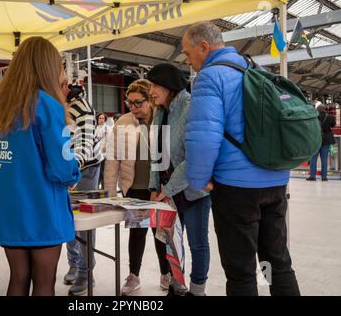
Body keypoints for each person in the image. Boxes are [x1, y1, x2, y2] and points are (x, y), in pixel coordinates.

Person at [183, 21, 300, 296]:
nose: (188, 61)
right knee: (277, 262)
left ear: (204, 46)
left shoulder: (210, 77)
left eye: (188, 53)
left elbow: (203, 137)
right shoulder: (253, 70)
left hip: (237, 188)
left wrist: (199, 179)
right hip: (275, 181)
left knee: (241, 271)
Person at [0, 37, 81, 296]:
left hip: (8, 209)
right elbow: (61, 166)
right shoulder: (47, 104)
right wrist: (74, 173)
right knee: (44, 283)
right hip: (42, 208)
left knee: (18, 279)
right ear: (48, 66)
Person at [146, 63, 211, 296]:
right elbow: (157, 153)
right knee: (172, 243)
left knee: (197, 243)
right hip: (167, 191)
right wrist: (154, 186)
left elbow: (194, 156)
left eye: (155, 85)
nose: (151, 91)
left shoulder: (190, 106)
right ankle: (177, 285)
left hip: (193, 189)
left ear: (170, 86)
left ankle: (197, 290)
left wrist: (169, 188)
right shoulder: (160, 112)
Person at [104, 79, 171, 295]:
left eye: (137, 103)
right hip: (134, 189)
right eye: (129, 103)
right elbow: (112, 160)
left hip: (159, 189)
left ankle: (166, 273)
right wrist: (110, 194)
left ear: (150, 100)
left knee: (160, 233)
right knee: (137, 233)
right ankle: (134, 276)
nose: (133, 108)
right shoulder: (123, 122)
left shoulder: (163, 119)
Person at [63, 84, 104, 296]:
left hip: (85, 168)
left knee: (84, 221)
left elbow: (86, 144)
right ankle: (74, 262)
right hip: (67, 168)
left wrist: (73, 169)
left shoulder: (82, 108)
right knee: (68, 217)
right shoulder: (57, 103)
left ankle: (86, 272)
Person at [307, 104, 336, 181]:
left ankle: (312, 176)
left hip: (316, 139)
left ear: (317, 109)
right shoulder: (330, 117)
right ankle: (324, 177)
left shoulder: (314, 117)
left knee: (313, 158)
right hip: (326, 139)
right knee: (324, 159)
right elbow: (333, 125)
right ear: (325, 109)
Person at [95, 112, 110, 188]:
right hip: (96, 153)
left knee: (103, 170)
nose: (101, 120)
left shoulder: (107, 128)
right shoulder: (95, 128)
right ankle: (97, 186)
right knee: (98, 171)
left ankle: (104, 187)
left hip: (104, 153)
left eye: (103, 118)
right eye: (100, 118)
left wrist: (106, 146)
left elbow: (109, 139)